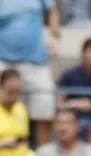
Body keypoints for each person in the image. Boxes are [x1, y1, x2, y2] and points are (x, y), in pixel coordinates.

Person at [0, 0, 57, 145]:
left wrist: (55, 36)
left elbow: (52, 11)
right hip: (2, 59)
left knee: (45, 104)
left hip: (35, 60)